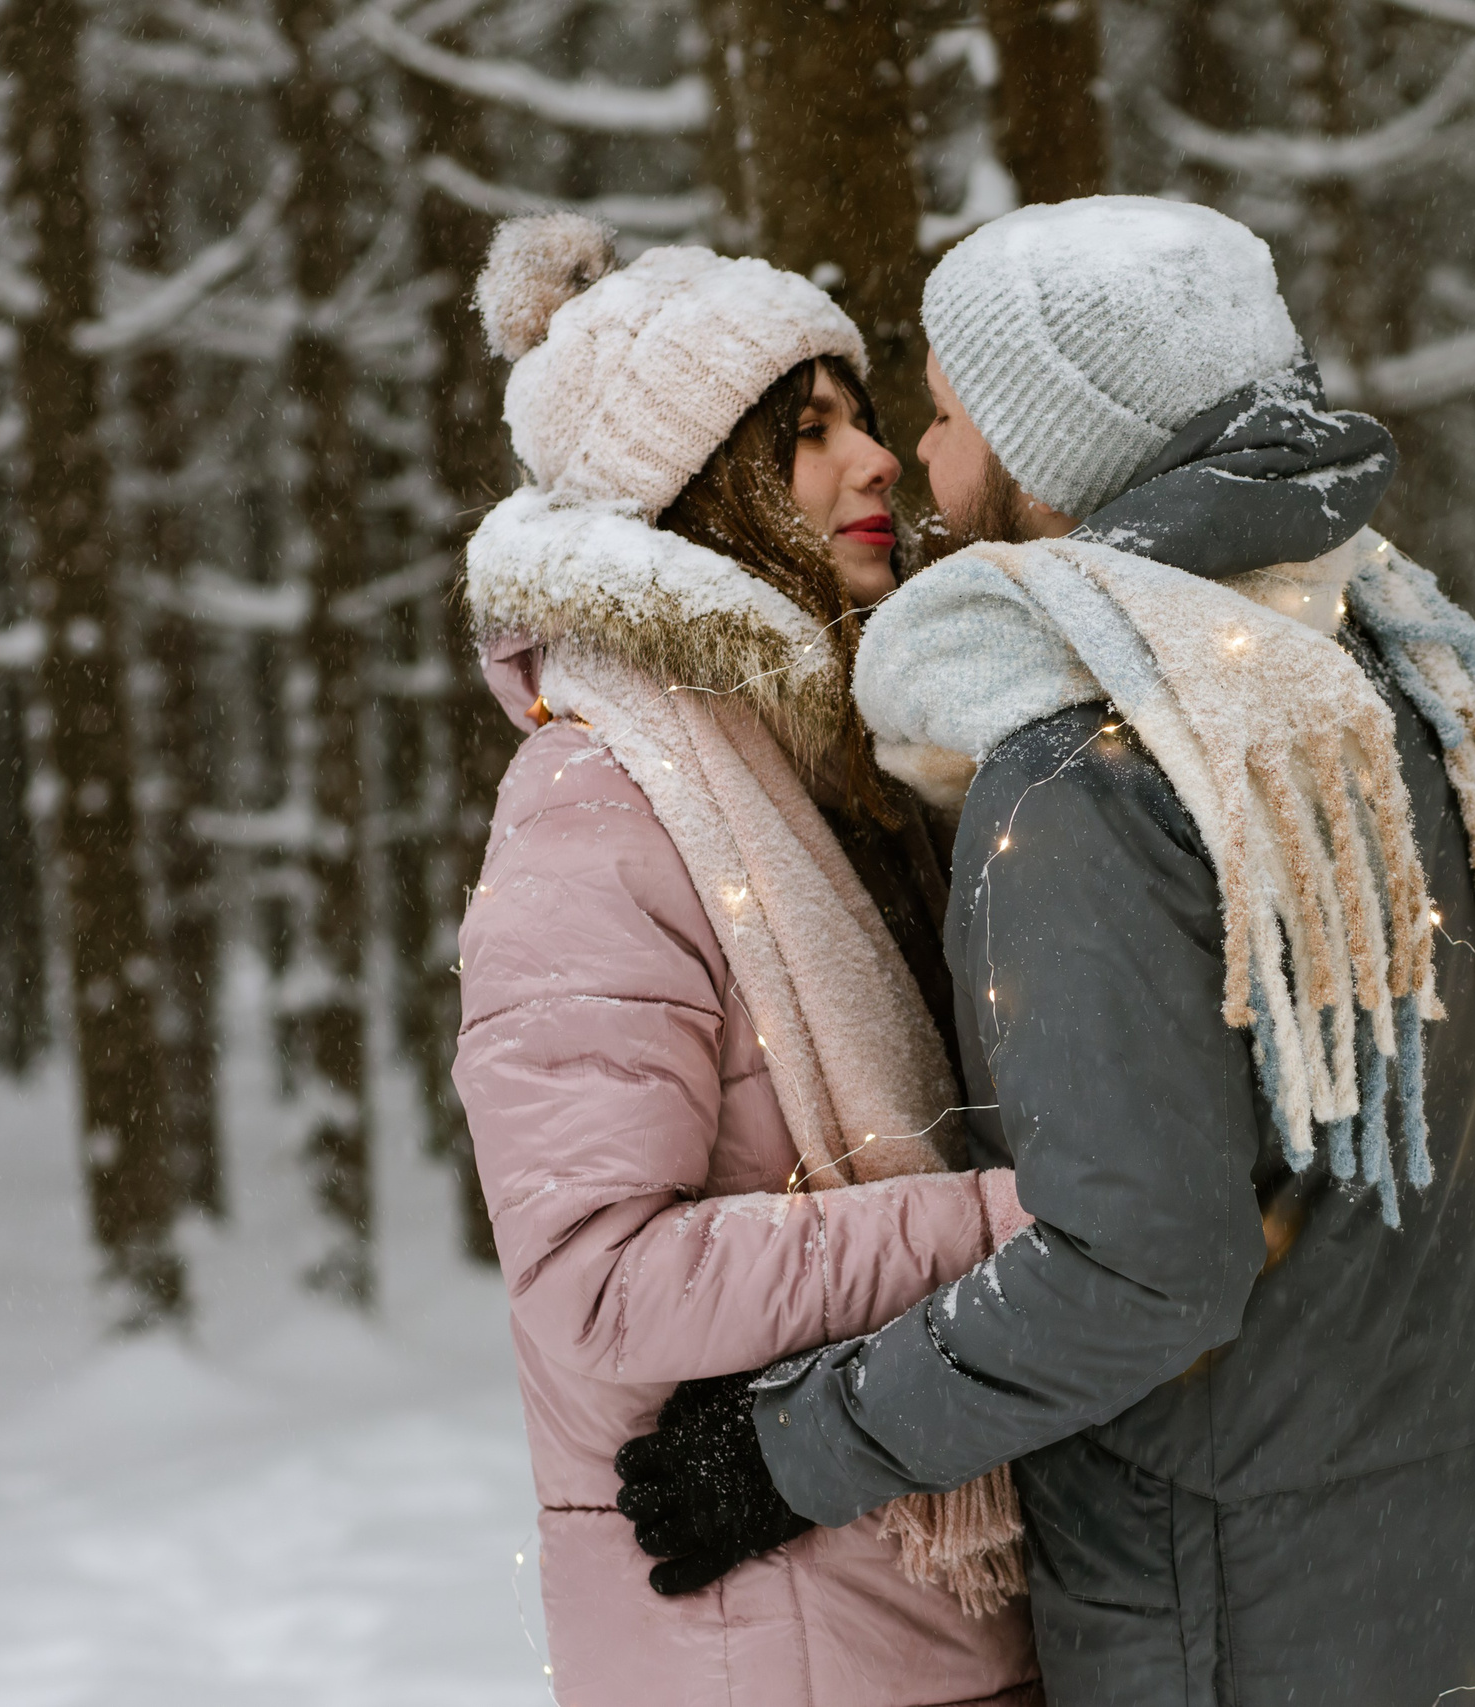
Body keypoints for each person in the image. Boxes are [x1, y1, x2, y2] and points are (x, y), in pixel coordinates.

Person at [614, 197, 1475, 1705]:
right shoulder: (1379, 665)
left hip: (1239, 1619)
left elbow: (1140, 1271)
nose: (924, 466)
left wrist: (791, 1447)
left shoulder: (1095, 776)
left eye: (945, 417)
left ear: (1055, 451)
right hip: (1463, 1566)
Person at [451, 213, 1041, 1707]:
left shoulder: (832, 773)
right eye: (811, 433)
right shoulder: (600, 804)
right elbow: (597, 1289)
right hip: (772, 1646)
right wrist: (999, 1222)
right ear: (698, 491)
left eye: (862, 417)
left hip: (917, 1614)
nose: (879, 463)